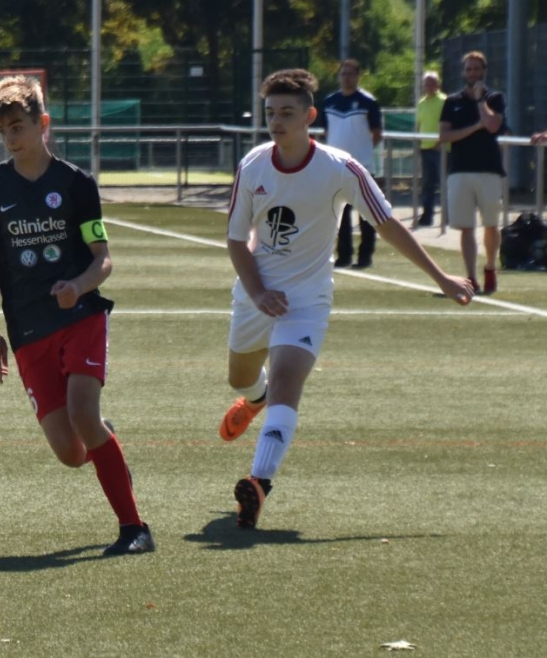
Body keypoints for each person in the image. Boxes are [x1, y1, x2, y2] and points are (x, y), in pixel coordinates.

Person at [217, 69, 473, 529]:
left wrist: (442, 277)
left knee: (288, 380)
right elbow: (236, 240)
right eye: (270, 113)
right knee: (240, 377)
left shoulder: (341, 168)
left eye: (287, 113)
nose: (276, 122)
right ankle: (256, 399)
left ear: (310, 116)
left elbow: (388, 225)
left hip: (307, 299)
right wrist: (256, 291)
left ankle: (259, 482)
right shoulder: (253, 165)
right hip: (256, 292)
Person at [0, 75, 154, 555]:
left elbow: (103, 259)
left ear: (43, 123)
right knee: (72, 453)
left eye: (18, 126)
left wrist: (78, 286)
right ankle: (106, 444)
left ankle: (135, 529)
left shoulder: (75, 183)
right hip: (27, 329)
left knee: (83, 415)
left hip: (81, 317)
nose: (11, 138)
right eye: (3, 130)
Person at [439, 51, 507, 295]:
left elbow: (492, 125)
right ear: (463, 72)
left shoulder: (495, 98)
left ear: (484, 71)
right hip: (460, 170)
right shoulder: (452, 101)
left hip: (489, 170)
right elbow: (444, 135)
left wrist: (480, 102)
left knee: (491, 224)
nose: (472, 73)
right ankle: (470, 276)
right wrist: (475, 127)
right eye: (468, 69)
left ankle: (489, 267)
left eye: (477, 69)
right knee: (466, 227)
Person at [321, 59, 383, 269]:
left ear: (358, 76)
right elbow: (327, 131)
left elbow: (377, 133)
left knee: (366, 214)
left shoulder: (368, 102)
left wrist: (362, 153)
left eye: (351, 74)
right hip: (335, 167)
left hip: (362, 166)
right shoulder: (329, 102)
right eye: (343, 74)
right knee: (340, 214)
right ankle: (344, 255)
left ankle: (365, 257)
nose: (347, 78)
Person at [416, 71, 447, 227]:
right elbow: (419, 125)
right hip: (425, 148)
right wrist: (417, 143)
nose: (429, 86)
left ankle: (448, 216)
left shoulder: (444, 101)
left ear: (438, 84)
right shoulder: (421, 103)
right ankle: (427, 216)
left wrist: (440, 143)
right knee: (427, 185)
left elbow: (448, 124)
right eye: (426, 83)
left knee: (444, 183)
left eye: (432, 83)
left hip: (441, 149)